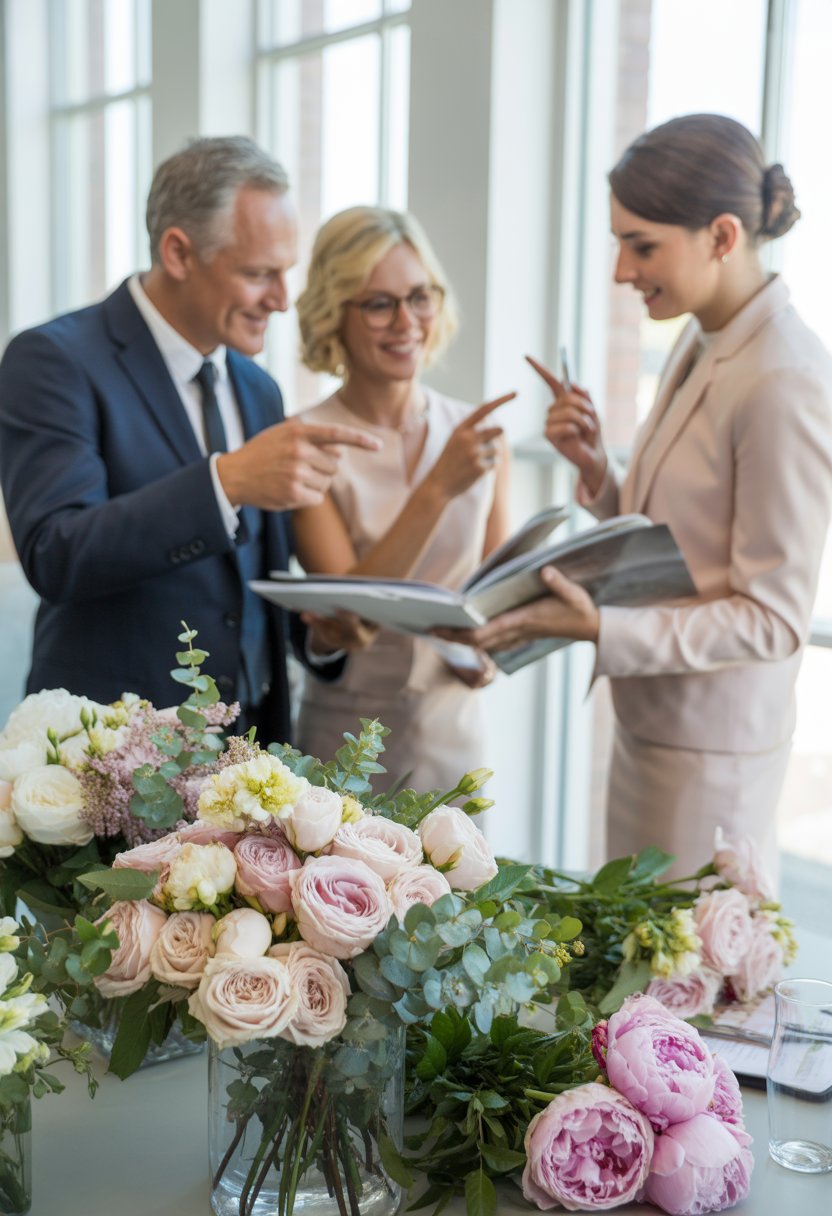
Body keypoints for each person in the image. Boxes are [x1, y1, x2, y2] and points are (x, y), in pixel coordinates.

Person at [445, 114, 832, 880]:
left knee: (681, 956)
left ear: (723, 236)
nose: (622, 270)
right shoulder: (703, 335)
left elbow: (774, 618)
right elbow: (685, 540)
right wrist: (597, 471)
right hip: (655, 726)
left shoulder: (783, 380)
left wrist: (601, 627)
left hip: (711, 760)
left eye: (642, 245)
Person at [0, 136, 380, 743]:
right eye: (258, 274)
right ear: (178, 252)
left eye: (285, 272)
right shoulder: (53, 360)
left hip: (248, 753)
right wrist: (226, 480)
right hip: (108, 754)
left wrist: (319, 638)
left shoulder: (259, 388)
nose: (282, 300)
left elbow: (245, 592)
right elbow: (55, 551)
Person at [291, 205, 515, 791]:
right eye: (379, 304)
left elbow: (499, 597)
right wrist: (437, 488)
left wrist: (490, 650)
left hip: (455, 735)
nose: (406, 322)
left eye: (420, 297)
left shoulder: (481, 437)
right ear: (334, 314)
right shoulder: (305, 441)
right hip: (345, 742)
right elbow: (353, 610)